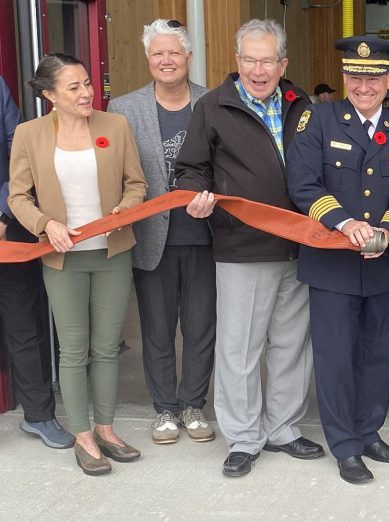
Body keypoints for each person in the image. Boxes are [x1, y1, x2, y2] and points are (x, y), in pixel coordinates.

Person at [174, 19, 324, 478]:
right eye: (250, 59)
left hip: (300, 245)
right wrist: (196, 199)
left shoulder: (305, 107)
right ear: (237, 61)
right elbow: (192, 168)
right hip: (241, 247)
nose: (259, 69)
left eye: (268, 60)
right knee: (239, 350)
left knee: (291, 347)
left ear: (283, 63)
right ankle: (242, 437)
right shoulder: (212, 106)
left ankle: (283, 429)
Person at [286, 35, 389, 485]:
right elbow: (303, 185)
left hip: (382, 263)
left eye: (372, 78)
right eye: (354, 76)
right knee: (336, 358)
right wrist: (345, 223)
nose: (362, 86)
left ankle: (369, 433)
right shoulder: (317, 120)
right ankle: (344, 446)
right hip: (332, 264)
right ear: (345, 78)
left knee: (378, 354)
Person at [9, 53, 147, 475]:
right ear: (50, 95)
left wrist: (120, 213)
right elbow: (17, 197)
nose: (87, 92)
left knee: (106, 348)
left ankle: (106, 429)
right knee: (73, 350)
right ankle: (82, 436)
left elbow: (136, 184)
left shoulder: (114, 126)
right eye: (74, 87)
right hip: (61, 257)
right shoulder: (28, 134)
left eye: (87, 82)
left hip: (112, 252)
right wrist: (45, 224)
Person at [108, 19, 215, 445]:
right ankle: (164, 409)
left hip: (205, 236)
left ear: (188, 58)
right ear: (148, 59)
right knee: (156, 328)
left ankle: (193, 405)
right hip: (152, 238)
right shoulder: (125, 109)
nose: (166, 60)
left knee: (201, 326)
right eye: (158, 53)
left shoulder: (213, 102)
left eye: (174, 53)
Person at [0, 75, 75, 450]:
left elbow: (19, 151)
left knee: (23, 324)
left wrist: (2, 213)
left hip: (8, 229)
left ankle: (38, 415)